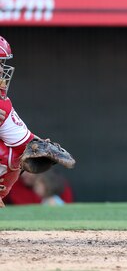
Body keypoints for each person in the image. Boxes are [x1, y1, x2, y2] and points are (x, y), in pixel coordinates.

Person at [0, 35, 76, 208]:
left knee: (11, 156)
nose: (1, 71)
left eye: (1, 64)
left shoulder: (1, 105)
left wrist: (40, 147)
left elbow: (25, 145)